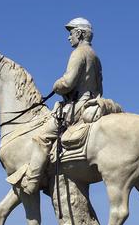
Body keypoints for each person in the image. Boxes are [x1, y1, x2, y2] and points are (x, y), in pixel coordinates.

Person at [7, 17, 103, 195]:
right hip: (91, 101)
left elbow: (68, 82)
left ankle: (32, 181)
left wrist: (56, 85)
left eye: (71, 32)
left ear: (80, 33)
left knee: (41, 137)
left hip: (77, 106)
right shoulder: (94, 55)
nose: (69, 37)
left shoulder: (79, 53)